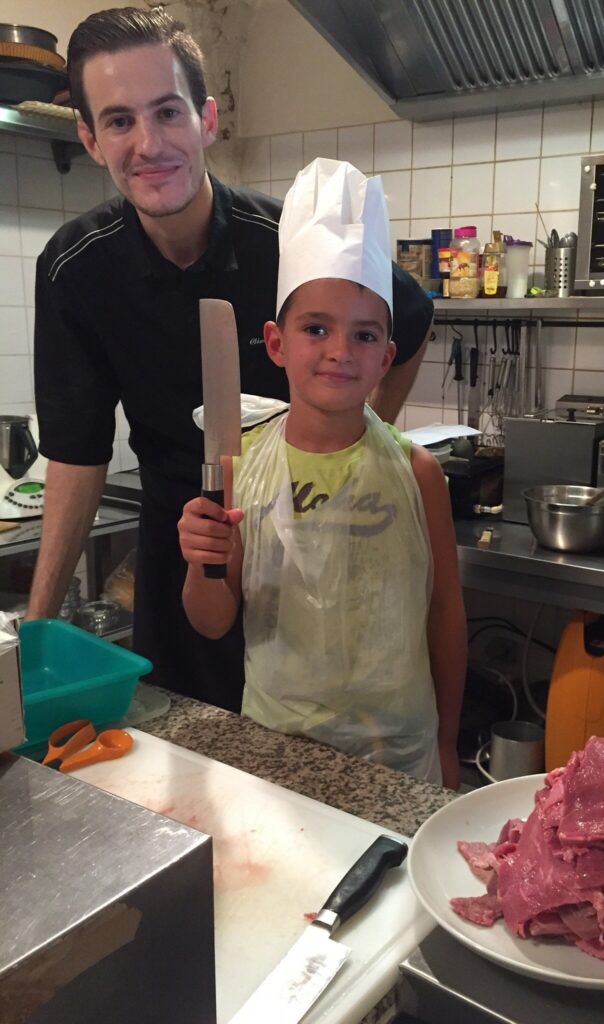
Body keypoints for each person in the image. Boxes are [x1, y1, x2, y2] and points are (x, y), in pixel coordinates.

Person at [26, 8, 433, 712]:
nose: (149, 144)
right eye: (119, 121)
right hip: (176, 558)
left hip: (302, 553)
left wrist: (353, 449)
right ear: (90, 139)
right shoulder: (75, 270)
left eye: (168, 112)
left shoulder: (289, 243)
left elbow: (413, 316)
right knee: (191, 763)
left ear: (207, 120)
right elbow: (76, 457)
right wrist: (35, 635)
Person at [177, 159, 466, 787]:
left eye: (364, 336)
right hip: (274, 756)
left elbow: (445, 614)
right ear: (277, 344)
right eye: (316, 329)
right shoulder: (238, 466)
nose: (340, 351)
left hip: (399, 759)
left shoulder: (417, 475)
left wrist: (447, 744)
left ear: (387, 358)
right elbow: (213, 620)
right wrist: (201, 560)